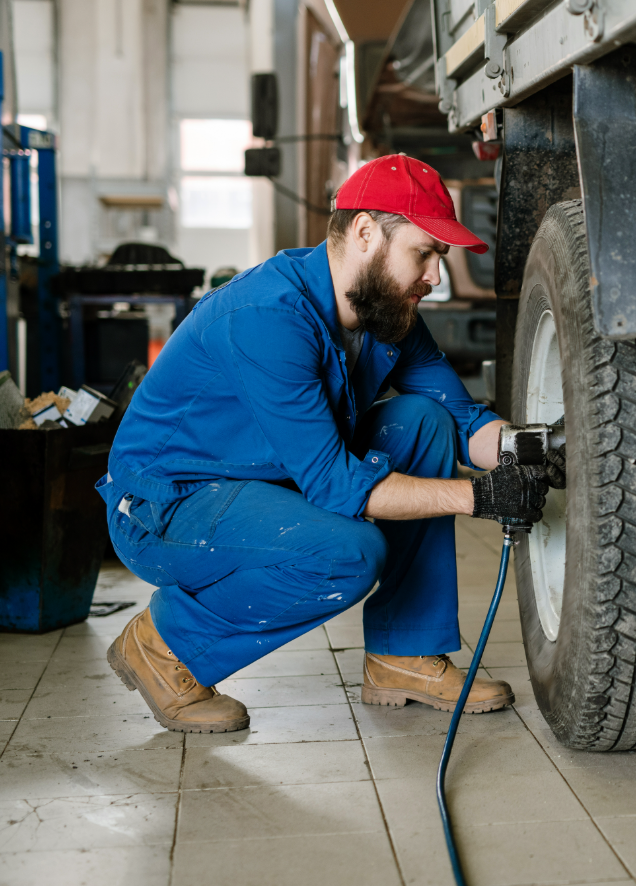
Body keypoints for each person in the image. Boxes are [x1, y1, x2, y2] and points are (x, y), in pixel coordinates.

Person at [96, 155, 559, 733]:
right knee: (347, 552)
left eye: (440, 259)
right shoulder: (269, 316)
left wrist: (538, 450)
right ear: (366, 232)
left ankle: (404, 654)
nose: (435, 277)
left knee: (422, 421)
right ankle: (165, 647)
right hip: (168, 503)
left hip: (267, 479)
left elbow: (463, 419)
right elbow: (338, 486)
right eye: (425, 253)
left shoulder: (387, 315)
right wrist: (480, 497)